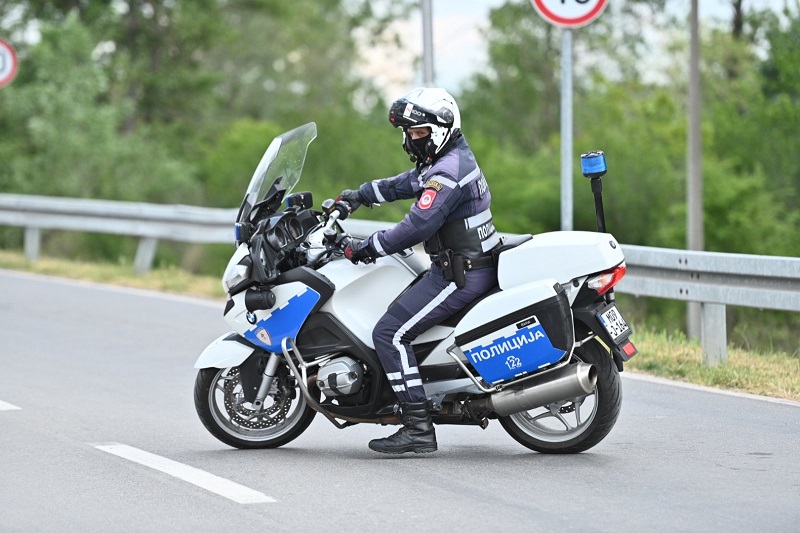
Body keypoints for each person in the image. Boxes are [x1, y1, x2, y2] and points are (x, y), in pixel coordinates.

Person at [337, 87, 501, 455]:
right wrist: (360, 195)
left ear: (441, 129)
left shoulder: (447, 173)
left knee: (389, 333)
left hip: (459, 274)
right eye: (409, 134)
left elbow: (415, 227)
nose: (412, 141)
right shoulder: (449, 159)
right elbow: (406, 184)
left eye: (419, 133)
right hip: (462, 266)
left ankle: (417, 427)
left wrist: (367, 247)